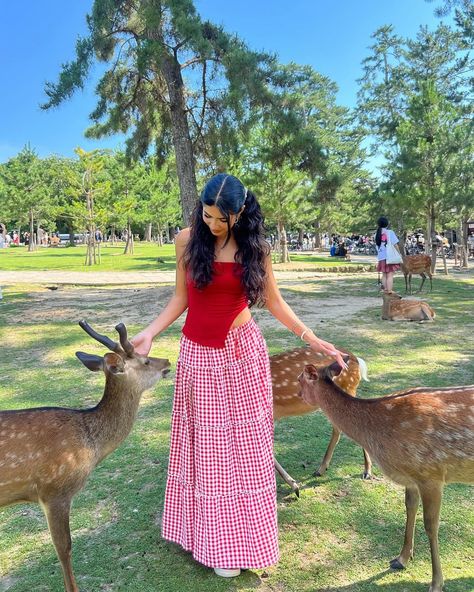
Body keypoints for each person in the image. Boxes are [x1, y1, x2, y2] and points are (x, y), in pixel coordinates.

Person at [131, 173, 346, 578]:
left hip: (243, 354)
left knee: (247, 449)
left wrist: (312, 338)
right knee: (208, 450)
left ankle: (244, 540)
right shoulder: (186, 240)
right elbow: (181, 297)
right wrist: (149, 333)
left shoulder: (256, 249)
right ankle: (213, 543)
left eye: (221, 218)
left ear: (241, 212)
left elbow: (275, 302)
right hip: (198, 355)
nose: (212, 224)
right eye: (207, 215)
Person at [375, 216, 401, 292]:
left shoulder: (376, 234)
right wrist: (399, 253)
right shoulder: (390, 232)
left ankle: (385, 289)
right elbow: (395, 244)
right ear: (387, 224)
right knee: (390, 274)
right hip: (390, 256)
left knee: (384, 274)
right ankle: (389, 291)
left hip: (381, 256)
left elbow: (377, 246)